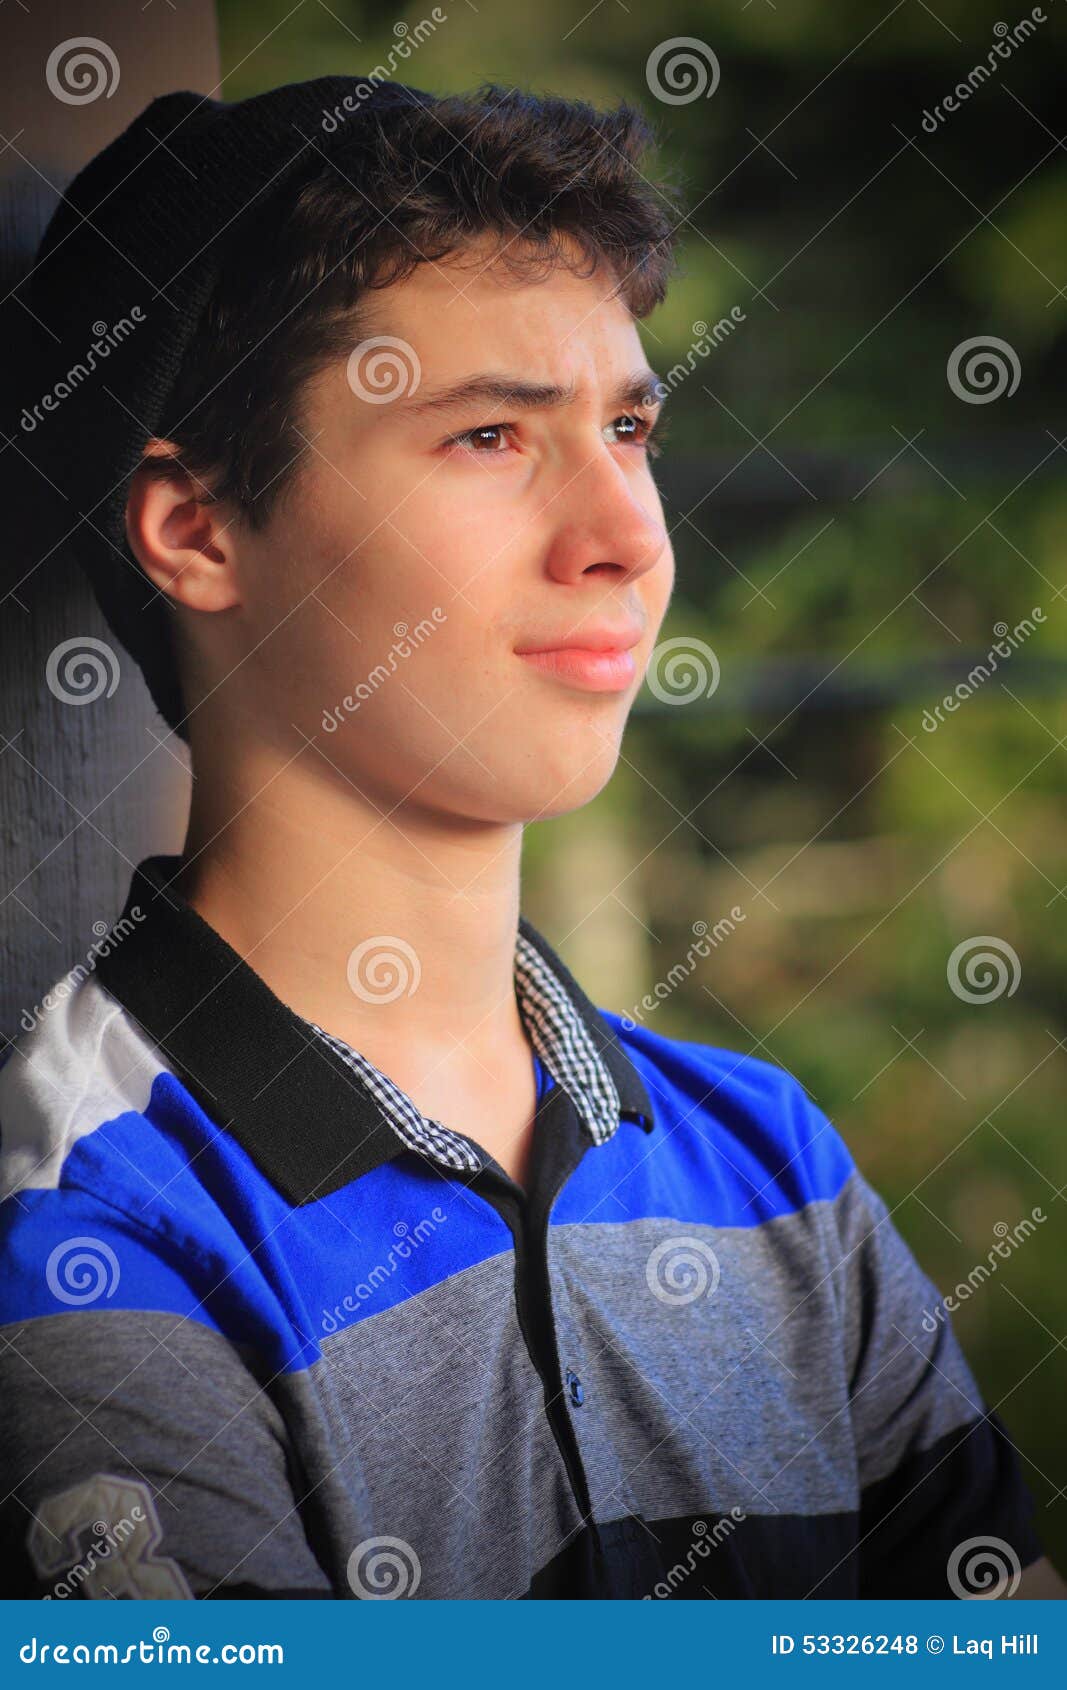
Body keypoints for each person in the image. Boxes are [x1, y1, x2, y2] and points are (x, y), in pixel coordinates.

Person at [0, 73, 1061, 1601]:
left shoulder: (771, 1157)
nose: (629, 532)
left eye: (628, 425)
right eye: (492, 434)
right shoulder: (82, 1235)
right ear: (199, 531)